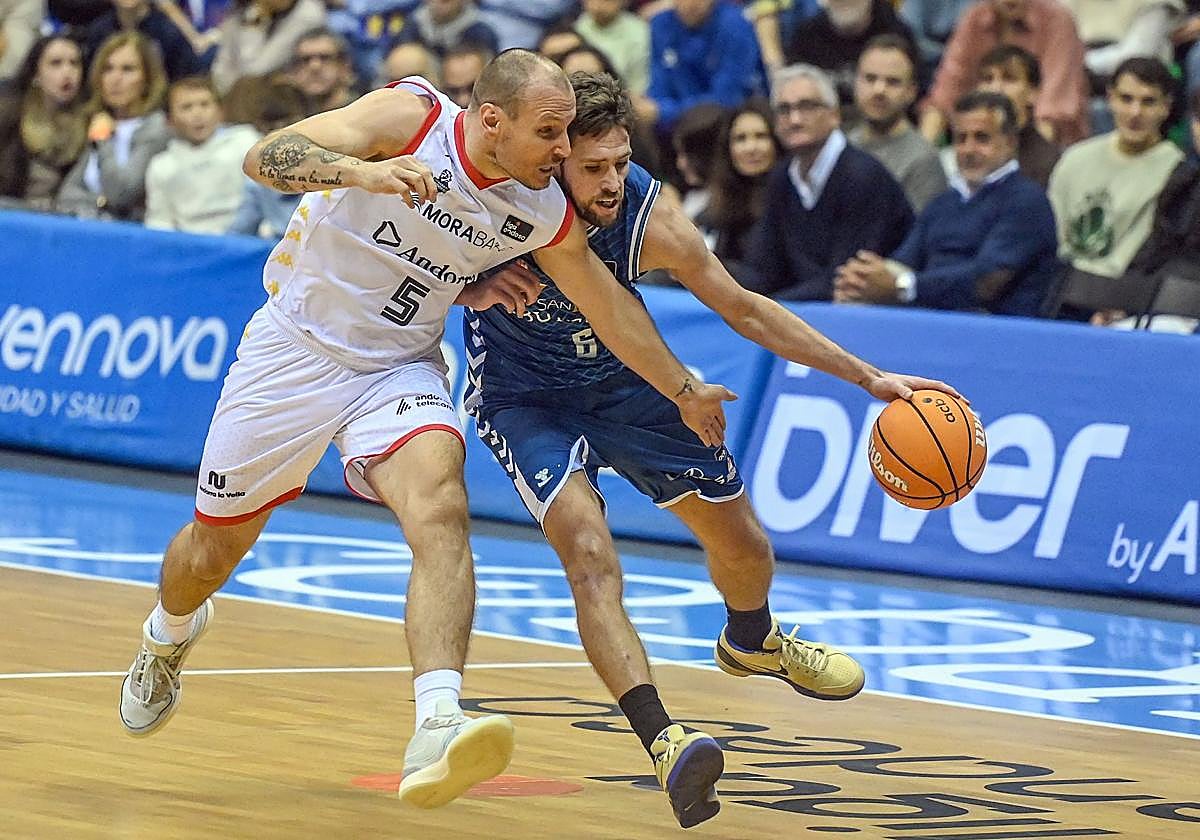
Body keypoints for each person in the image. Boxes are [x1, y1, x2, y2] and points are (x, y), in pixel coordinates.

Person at [116, 49, 734, 813]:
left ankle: (438, 720)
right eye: (550, 132)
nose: (565, 152)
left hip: (397, 368)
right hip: (294, 351)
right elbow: (264, 157)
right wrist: (361, 172)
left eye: (569, 133)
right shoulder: (411, 119)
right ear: (490, 122)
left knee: (441, 506)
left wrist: (681, 387)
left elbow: (609, 308)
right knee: (208, 552)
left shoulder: (541, 208)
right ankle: (169, 632)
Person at [468, 69, 962, 829]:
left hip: (633, 379)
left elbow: (744, 309)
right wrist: (469, 286)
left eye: (619, 163)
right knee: (589, 552)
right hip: (524, 395)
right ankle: (665, 740)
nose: (609, 181)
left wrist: (868, 378)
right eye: (591, 167)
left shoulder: (646, 214)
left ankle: (751, 639)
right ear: (553, 155)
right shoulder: (491, 196)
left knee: (745, 544)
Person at [835, 91, 1059, 316]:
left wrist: (903, 286)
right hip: (932, 325)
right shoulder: (944, 203)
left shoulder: (1027, 201)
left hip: (1000, 333)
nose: (969, 150)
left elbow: (987, 281)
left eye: (982, 138)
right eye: (960, 139)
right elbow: (903, 262)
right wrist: (861, 281)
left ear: (1010, 143)